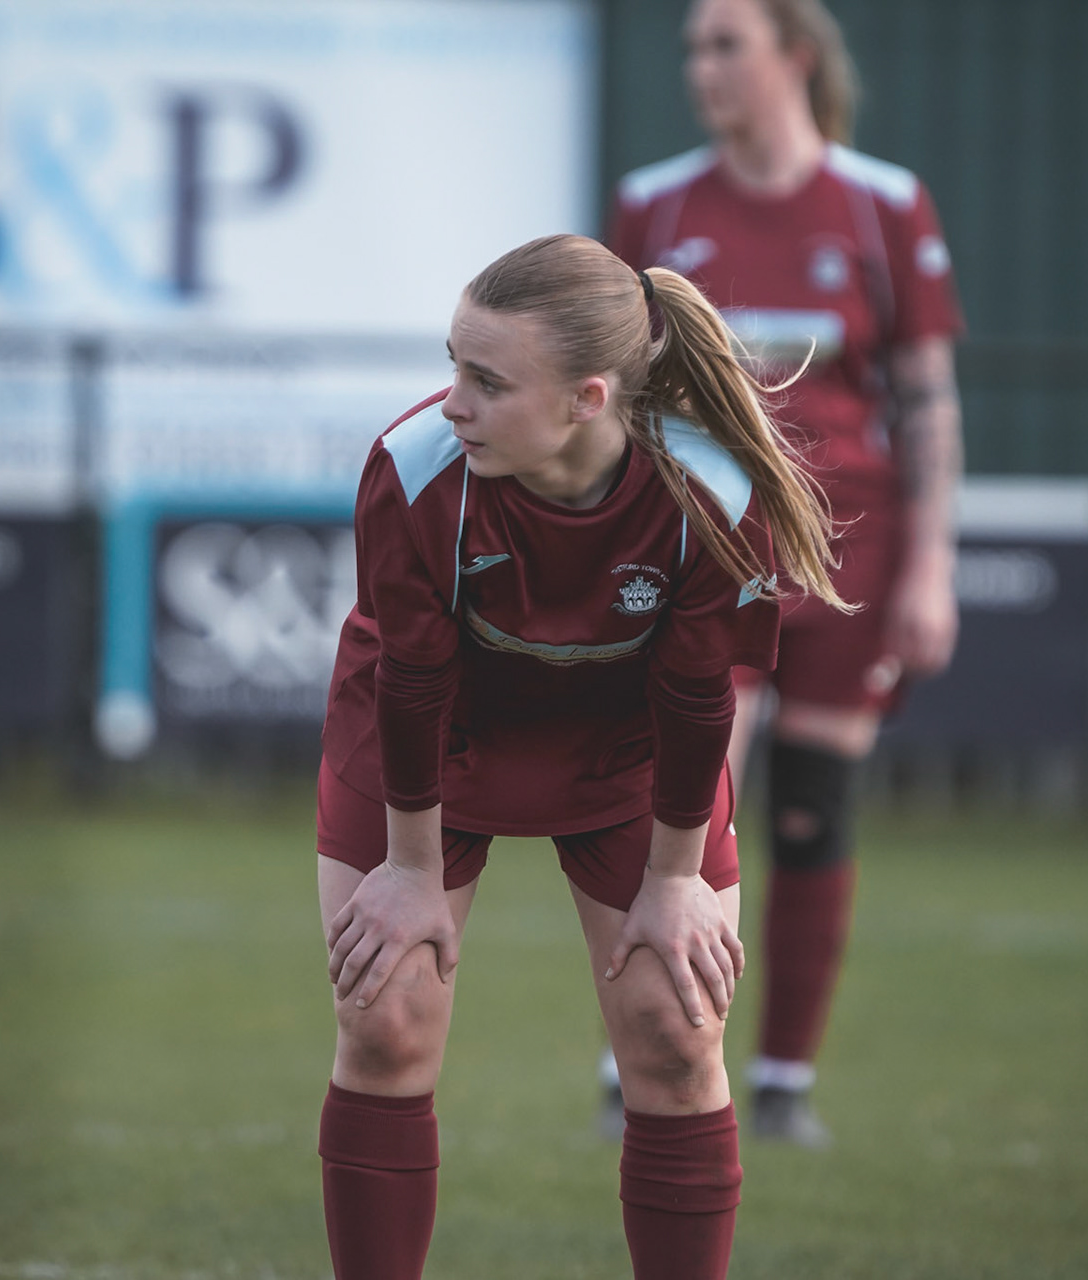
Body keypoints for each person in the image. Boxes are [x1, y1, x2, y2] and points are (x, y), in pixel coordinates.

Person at [314, 233, 848, 1280]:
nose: (451, 403)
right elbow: (411, 678)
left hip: (622, 744)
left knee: (674, 1031)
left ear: (587, 399)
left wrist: (676, 880)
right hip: (436, 737)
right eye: (453, 365)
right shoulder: (413, 468)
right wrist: (411, 872)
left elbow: (697, 694)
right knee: (387, 1019)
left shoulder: (709, 488)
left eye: (487, 381)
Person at [606, 0, 965, 1147]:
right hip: (709, 550)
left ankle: (781, 1080)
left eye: (727, 45)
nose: (702, 68)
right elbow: (614, 395)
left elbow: (927, 397)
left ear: (796, 57)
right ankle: (648, 1056)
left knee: (812, 809)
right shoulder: (656, 204)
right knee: (690, 800)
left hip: (853, 551)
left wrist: (932, 567)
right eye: (693, 49)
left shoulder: (882, 203)